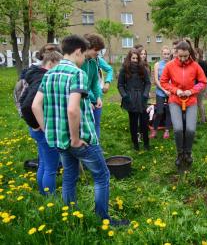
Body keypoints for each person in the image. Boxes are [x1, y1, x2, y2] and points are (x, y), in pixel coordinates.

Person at [32, 35, 128, 225]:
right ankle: (104, 219)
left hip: (59, 140)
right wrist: (75, 139)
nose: (85, 59)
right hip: (80, 140)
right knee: (101, 176)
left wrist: (49, 131)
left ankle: (71, 215)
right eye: (84, 55)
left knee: (69, 175)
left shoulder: (48, 73)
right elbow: (72, 109)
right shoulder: (77, 74)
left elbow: (36, 105)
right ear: (77, 52)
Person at [160, 40, 207, 170]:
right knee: (178, 129)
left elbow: (203, 82)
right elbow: (163, 82)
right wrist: (176, 90)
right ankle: (180, 154)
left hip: (191, 100)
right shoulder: (170, 65)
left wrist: (191, 91)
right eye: (180, 56)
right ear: (176, 53)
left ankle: (188, 153)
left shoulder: (195, 66)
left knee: (191, 130)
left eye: (185, 56)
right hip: (175, 100)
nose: (182, 59)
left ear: (189, 53)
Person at [20, 51, 62, 195]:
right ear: (50, 63)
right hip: (43, 130)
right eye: (58, 67)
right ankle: (50, 198)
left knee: (44, 163)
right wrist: (39, 125)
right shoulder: (42, 78)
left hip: (38, 130)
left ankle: (43, 193)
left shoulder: (34, 75)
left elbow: (22, 100)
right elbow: (26, 106)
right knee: (51, 167)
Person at [118, 49, 151, 151]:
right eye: (133, 58)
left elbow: (147, 83)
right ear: (129, 58)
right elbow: (120, 85)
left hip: (141, 97)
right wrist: (125, 96)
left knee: (144, 122)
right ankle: (135, 144)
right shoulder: (124, 69)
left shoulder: (142, 69)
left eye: (137, 58)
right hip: (130, 98)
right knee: (133, 123)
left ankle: (146, 143)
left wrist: (145, 94)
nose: (135, 60)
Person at [81, 34, 105, 139]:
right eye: (96, 50)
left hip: (94, 100)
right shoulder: (79, 63)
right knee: (86, 127)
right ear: (88, 48)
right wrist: (87, 101)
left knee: (96, 125)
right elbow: (79, 85)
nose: (98, 53)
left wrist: (98, 96)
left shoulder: (93, 62)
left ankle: (96, 146)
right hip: (82, 101)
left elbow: (95, 82)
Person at [150, 46, 172, 139]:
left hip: (171, 92)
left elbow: (173, 79)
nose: (166, 56)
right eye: (164, 54)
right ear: (162, 54)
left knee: (169, 111)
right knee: (159, 111)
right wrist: (164, 90)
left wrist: (170, 90)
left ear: (169, 54)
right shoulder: (157, 65)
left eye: (168, 54)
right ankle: (154, 129)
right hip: (160, 91)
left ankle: (167, 130)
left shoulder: (172, 64)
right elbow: (156, 80)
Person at [194, 47, 207, 124]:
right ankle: (204, 117)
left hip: (200, 85)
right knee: (199, 102)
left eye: (196, 54)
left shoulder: (202, 63)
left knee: (199, 103)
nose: (195, 55)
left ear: (199, 54)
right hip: (195, 85)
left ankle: (203, 120)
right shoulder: (193, 62)